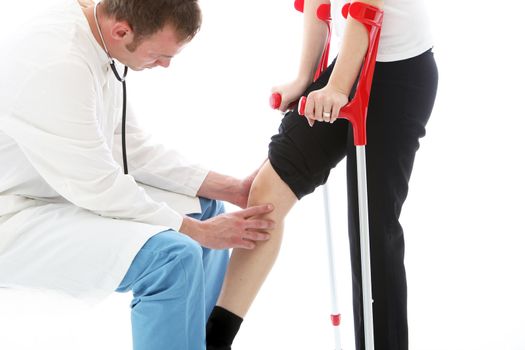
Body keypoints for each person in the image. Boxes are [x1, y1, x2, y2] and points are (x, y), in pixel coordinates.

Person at [0, 0, 276, 349]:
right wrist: (197, 232)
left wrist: (230, 188)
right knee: (172, 257)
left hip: (55, 191)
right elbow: (99, 186)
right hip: (11, 218)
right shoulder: (58, 61)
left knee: (205, 207)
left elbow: (126, 146)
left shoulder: (98, 37)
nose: (164, 65)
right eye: (161, 55)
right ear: (122, 31)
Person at [205, 0, 439, 349]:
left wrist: (338, 88)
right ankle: (214, 340)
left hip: (399, 73)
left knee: (372, 229)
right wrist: (307, 78)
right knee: (266, 195)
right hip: (351, 61)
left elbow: (364, 10)